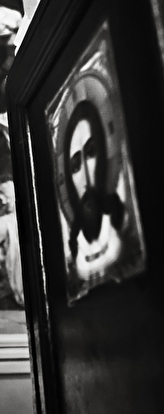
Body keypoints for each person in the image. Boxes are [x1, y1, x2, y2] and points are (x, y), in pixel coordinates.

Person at [63, 100, 126, 282]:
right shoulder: (74, 238)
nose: (86, 178)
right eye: (75, 166)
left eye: (91, 152)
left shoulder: (118, 211)